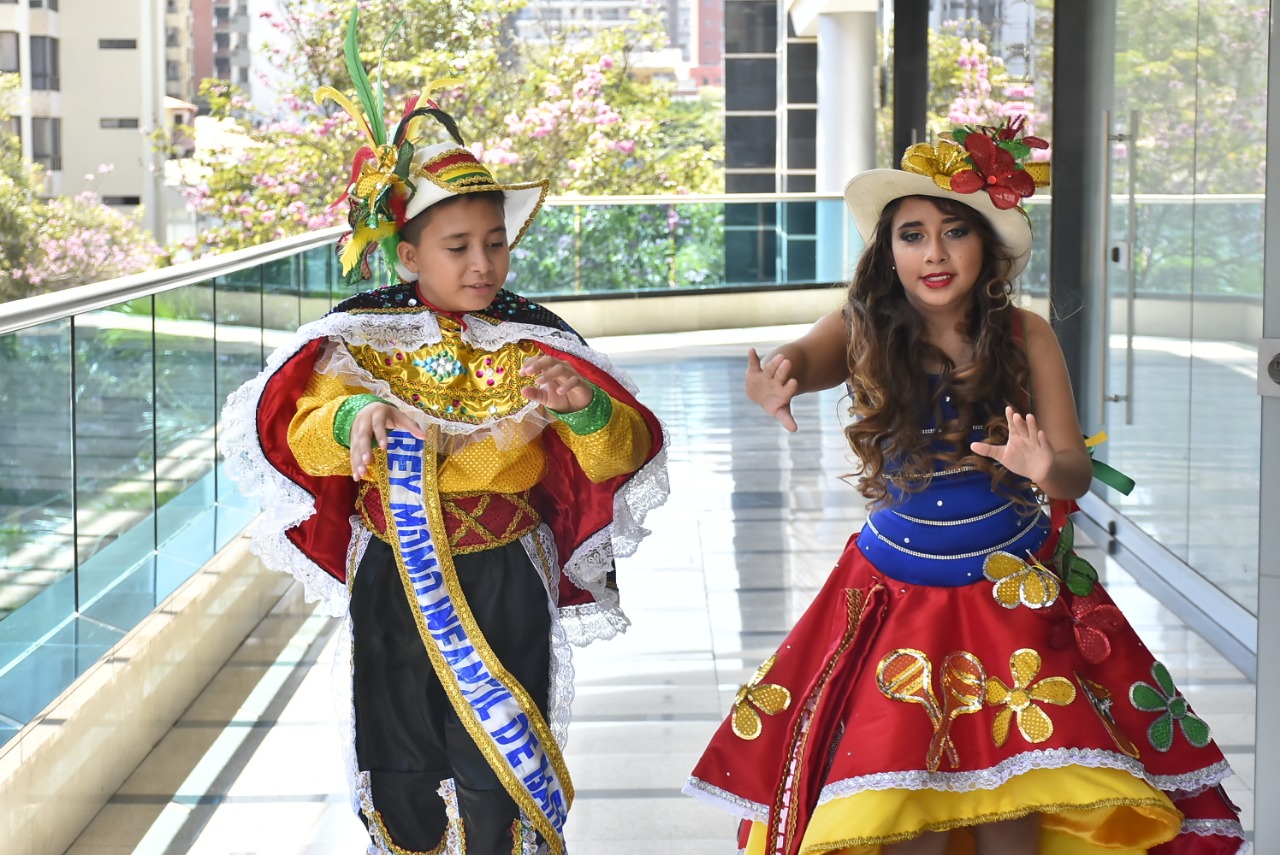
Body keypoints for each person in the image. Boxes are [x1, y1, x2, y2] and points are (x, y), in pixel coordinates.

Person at [683, 122, 1247, 854]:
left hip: (1009, 599)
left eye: (954, 232)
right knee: (905, 804)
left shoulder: (1027, 335)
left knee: (1013, 796)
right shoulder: (860, 328)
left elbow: (1073, 469)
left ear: (987, 245)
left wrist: (1047, 469)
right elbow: (807, 356)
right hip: (895, 598)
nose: (935, 253)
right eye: (913, 235)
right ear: (889, 252)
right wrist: (780, 372)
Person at [220, 9, 667, 855]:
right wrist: (358, 415)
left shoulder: (537, 341)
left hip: (506, 568)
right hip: (398, 566)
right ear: (406, 255)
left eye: (495, 243)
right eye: (458, 245)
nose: (483, 265)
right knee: (399, 747)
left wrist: (581, 408)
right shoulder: (358, 342)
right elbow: (309, 425)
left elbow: (618, 453)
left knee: (501, 753)